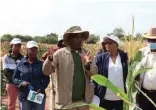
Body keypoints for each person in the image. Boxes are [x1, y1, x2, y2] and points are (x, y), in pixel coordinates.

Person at [42, 26, 94, 110]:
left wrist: (88, 66)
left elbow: (94, 74)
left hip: (83, 101)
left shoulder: (87, 54)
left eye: (81, 36)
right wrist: (50, 59)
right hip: (66, 102)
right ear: (69, 39)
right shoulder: (59, 54)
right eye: (76, 36)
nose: (79, 39)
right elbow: (46, 71)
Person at [12, 41, 50, 110]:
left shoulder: (41, 64)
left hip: (38, 94)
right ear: (27, 50)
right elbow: (14, 78)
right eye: (31, 49)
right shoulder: (20, 64)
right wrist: (22, 83)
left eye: (35, 49)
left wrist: (41, 88)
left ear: (37, 51)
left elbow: (46, 79)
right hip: (24, 95)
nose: (33, 51)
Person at [93, 35, 128, 110]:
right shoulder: (100, 58)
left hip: (121, 98)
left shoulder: (125, 57)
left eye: (110, 43)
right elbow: (94, 75)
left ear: (116, 44)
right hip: (105, 97)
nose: (107, 45)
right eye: (105, 43)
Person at [137, 27, 156, 110]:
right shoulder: (141, 52)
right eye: (149, 40)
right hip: (143, 93)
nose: (151, 42)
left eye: (154, 40)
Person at [2, 38, 23, 110]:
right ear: (11, 46)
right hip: (11, 83)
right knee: (11, 104)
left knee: (22, 103)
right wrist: (16, 82)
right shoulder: (6, 58)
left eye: (19, 46)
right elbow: (6, 72)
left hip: (21, 84)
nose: (18, 47)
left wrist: (20, 82)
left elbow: (24, 71)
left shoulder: (23, 58)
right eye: (16, 45)